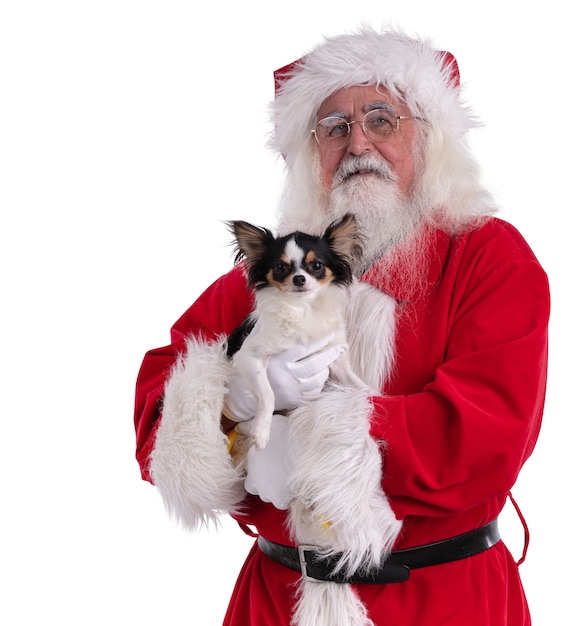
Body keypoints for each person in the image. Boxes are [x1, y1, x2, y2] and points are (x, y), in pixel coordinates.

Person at [134, 26, 550, 626]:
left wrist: (314, 440)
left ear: (428, 140)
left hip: (442, 601)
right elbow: (158, 409)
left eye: (382, 119)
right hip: (281, 601)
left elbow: (489, 431)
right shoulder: (273, 273)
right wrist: (232, 405)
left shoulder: (490, 256)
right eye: (333, 127)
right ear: (311, 155)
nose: (358, 143)